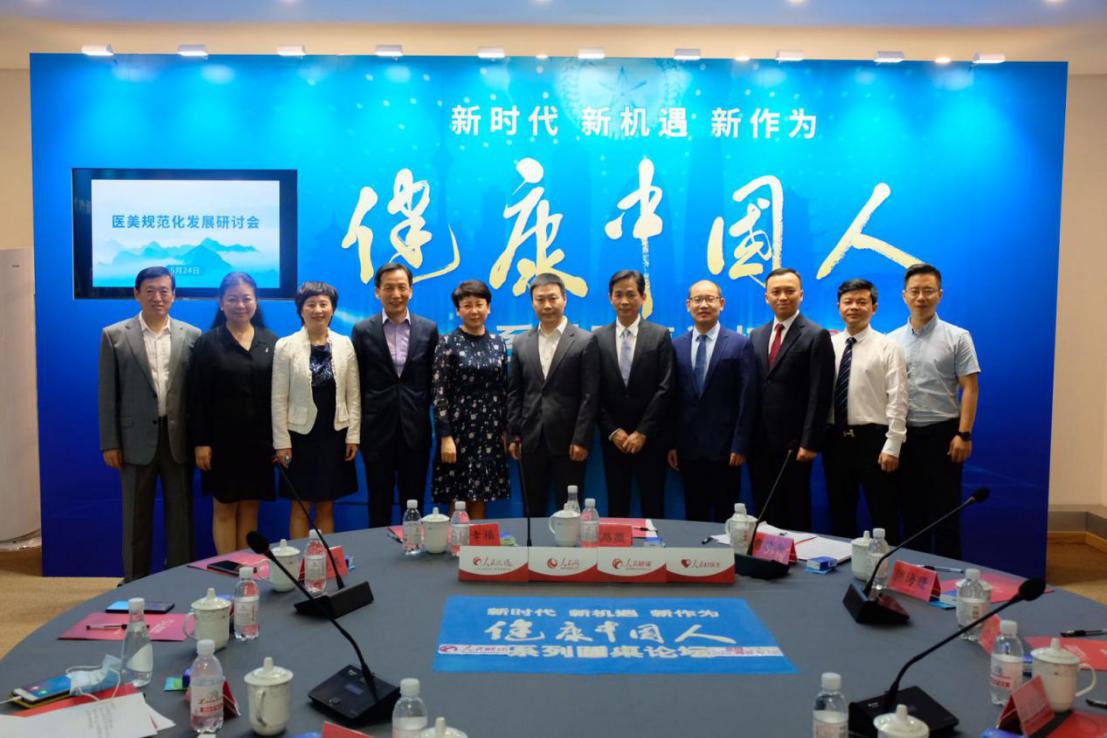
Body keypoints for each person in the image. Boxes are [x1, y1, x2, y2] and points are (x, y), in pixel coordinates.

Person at [98, 266, 200, 581]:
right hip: (134, 441)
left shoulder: (191, 335)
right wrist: (110, 442)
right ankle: (134, 582)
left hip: (178, 439)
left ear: (174, 295)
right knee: (135, 518)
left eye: (164, 290)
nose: (158, 297)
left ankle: (179, 581)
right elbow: (107, 395)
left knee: (181, 518)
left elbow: (197, 394)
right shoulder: (115, 335)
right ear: (137, 294)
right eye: (150, 290)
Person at [890, 263, 980, 558]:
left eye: (928, 291)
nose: (921, 297)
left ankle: (948, 575)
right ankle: (915, 572)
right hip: (905, 437)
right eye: (915, 291)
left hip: (944, 436)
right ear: (904, 295)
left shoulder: (958, 337)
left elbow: (970, 388)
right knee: (910, 512)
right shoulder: (891, 340)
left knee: (946, 513)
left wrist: (964, 434)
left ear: (939, 294)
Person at [188, 272, 278, 555]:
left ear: (256, 301)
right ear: (221, 302)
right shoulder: (207, 343)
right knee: (224, 507)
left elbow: (279, 397)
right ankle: (228, 567)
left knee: (251, 506)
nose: (240, 305)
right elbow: (197, 397)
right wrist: (201, 442)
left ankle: (246, 567)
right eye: (233, 299)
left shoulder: (271, 341)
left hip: (260, 442)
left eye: (246, 298)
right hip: (221, 442)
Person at [351, 262, 439, 527]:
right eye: (389, 288)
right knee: (379, 501)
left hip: (416, 430)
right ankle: (379, 551)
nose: (396, 294)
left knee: (414, 503)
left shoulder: (428, 329)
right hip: (376, 432)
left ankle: (414, 549)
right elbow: (357, 383)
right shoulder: (363, 330)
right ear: (377, 291)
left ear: (411, 290)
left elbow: (433, 381)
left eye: (402, 287)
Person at [748, 267, 835, 532]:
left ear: (801, 295)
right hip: (759, 443)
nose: (782, 297)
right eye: (776, 292)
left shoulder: (816, 335)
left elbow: (820, 393)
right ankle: (764, 555)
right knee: (764, 508)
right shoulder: (757, 335)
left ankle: (796, 557)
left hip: (794, 444)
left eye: (789, 291)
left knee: (795, 508)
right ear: (766, 297)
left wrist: (810, 442)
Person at [822, 278, 907, 543]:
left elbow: (898, 398)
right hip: (835, 440)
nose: (854, 307)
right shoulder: (829, 345)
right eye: (848, 302)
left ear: (874, 307)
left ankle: (885, 565)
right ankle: (842, 565)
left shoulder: (888, 346)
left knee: (883, 514)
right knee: (840, 513)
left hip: (874, 441)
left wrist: (893, 445)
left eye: (861, 301)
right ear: (839, 306)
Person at [272, 281, 360, 539]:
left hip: (334, 433)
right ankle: (302, 558)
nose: (318, 310)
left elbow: (353, 395)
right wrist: (281, 443)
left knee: (327, 505)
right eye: (311, 304)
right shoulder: (285, 346)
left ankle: (324, 558)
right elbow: (278, 398)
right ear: (301, 309)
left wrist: (353, 436)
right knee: (300, 506)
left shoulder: (345, 344)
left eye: (324, 304)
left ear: (332, 309)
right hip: (299, 437)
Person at [507, 272, 599, 516]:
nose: (547, 305)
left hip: (569, 442)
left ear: (564, 299)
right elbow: (515, 392)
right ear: (532, 302)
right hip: (530, 440)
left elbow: (590, 396)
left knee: (569, 511)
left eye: (553, 298)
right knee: (532, 510)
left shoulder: (584, 340)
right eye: (540, 299)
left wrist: (581, 439)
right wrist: (514, 435)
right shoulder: (520, 342)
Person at [668, 280, 757, 523]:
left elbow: (747, 399)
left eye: (710, 299)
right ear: (688, 305)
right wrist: (672, 443)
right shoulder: (676, 346)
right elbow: (673, 400)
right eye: (698, 300)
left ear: (721, 303)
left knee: (725, 517)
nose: (704, 305)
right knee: (694, 516)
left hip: (726, 451)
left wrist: (740, 444)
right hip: (688, 450)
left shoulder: (740, 344)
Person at [594, 270, 675, 519]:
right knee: (617, 506)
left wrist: (642, 432)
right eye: (618, 295)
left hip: (650, 440)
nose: (624, 301)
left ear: (643, 297)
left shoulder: (660, 335)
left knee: (653, 505)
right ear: (610, 298)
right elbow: (593, 391)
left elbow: (666, 387)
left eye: (631, 294)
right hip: (614, 441)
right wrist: (612, 431)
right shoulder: (598, 338)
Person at [430, 280, 510, 519]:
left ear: (488, 308)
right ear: (458, 310)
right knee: (458, 496)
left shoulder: (498, 342)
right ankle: (455, 542)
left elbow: (503, 389)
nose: (474, 310)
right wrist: (446, 436)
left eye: (479, 304)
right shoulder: (447, 343)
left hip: (490, 431)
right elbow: (439, 392)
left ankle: (476, 543)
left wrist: (505, 429)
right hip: (459, 430)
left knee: (481, 493)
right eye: (467, 305)